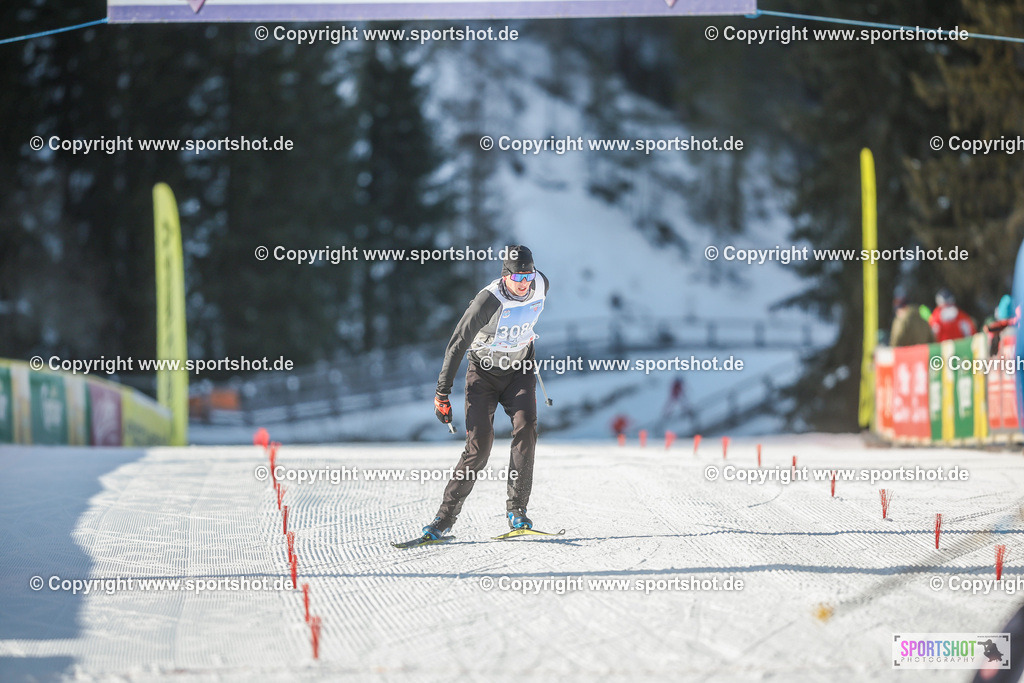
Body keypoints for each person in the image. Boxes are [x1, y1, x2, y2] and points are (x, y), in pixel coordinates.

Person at [422, 245, 549, 540]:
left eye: (528, 275)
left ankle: (517, 511)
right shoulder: (486, 302)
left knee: (527, 429)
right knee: (479, 446)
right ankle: (444, 519)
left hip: (519, 371)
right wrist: (442, 394)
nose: (524, 283)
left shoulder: (541, 284)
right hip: (483, 375)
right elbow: (456, 345)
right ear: (505, 276)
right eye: (517, 277)